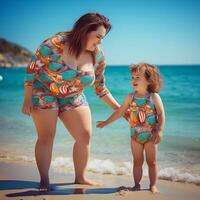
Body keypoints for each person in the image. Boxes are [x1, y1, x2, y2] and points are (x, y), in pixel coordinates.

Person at [21, 13, 121, 191]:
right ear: (84, 30)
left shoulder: (98, 57)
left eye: (103, 38)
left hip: (73, 96)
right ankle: (44, 180)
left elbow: (100, 89)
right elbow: (32, 70)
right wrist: (27, 99)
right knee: (46, 137)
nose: (100, 42)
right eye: (98, 36)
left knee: (84, 136)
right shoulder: (52, 44)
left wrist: (121, 110)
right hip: (44, 91)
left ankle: (81, 177)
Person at [96, 63, 165, 193]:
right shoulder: (130, 97)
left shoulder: (154, 97)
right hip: (135, 137)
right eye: (132, 77)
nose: (133, 80)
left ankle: (153, 185)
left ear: (149, 80)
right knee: (137, 162)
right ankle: (136, 184)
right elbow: (119, 112)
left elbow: (161, 114)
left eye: (138, 77)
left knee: (152, 162)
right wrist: (106, 122)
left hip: (151, 136)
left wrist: (160, 130)